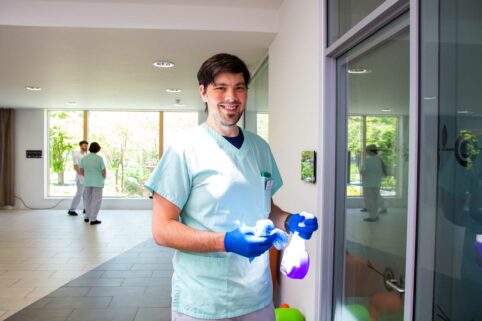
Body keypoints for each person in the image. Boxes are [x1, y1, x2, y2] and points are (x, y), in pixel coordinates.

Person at [145, 53, 318, 321]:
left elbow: (265, 207)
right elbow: (162, 230)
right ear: (203, 92)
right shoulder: (185, 149)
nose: (231, 97)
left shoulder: (259, 147)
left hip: (257, 298)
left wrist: (289, 221)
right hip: (204, 301)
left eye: (239, 87)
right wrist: (226, 242)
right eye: (220, 88)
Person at [80, 142, 106, 225]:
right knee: (96, 200)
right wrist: (103, 178)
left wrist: (87, 177)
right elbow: (103, 171)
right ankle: (93, 219)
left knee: (88, 199)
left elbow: (81, 171)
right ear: (98, 149)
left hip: (87, 182)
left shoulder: (84, 158)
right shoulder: (99, 158)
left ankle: (87, 216)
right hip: (97, 182)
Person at [360, 144, 385, 222]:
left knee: (369, 200)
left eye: (367, 150)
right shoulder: (379, 160)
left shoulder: (367, 160)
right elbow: (382, 171)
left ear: (370, 151)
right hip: (376, 183)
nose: (366, 152)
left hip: (368, 183)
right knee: (375, 200)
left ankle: (373, 217)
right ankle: (376, 215)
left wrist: (362, 173)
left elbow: (362, 171)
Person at [67, 140, 88, 216]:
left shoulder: (86, 155)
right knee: (79, 194)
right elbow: (75, 166)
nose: (85, 147)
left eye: (86, 145)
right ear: (80, 146)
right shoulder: (76, 155)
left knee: (86, 194)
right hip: (80, 178)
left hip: (86, 178)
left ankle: (86, 209)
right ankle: (71, 210)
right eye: (84, 145)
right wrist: (82, 173)